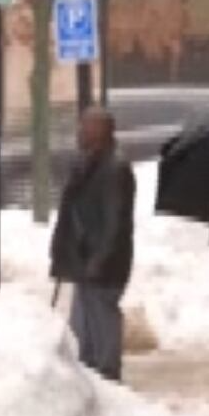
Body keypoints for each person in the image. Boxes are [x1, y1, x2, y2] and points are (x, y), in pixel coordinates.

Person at [49, 107, 136, 382]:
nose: (80, 133)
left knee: (101, 317)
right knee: (83, 320)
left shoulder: (114, 169)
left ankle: (106, 372)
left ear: (102, 132)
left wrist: (100, 258)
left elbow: (115, 222)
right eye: (81, 127)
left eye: (87, 128)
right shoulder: (89, 163)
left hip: (103, 263)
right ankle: (87, 371)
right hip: (86, 259)